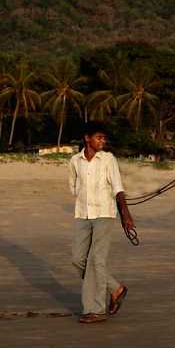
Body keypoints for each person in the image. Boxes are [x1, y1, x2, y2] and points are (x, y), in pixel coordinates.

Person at [68, 122, 135, 323]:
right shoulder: (75, 161)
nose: (102, 141)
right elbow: (73, 187)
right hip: (82, 214)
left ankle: (95, 309)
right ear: (87, 138)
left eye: (104, 138)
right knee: (78, 259)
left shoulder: (108, 159)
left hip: (105, 213)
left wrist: (125, 215)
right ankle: (115, 288)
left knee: (96, 260)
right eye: (99, 137)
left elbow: (118, 188)